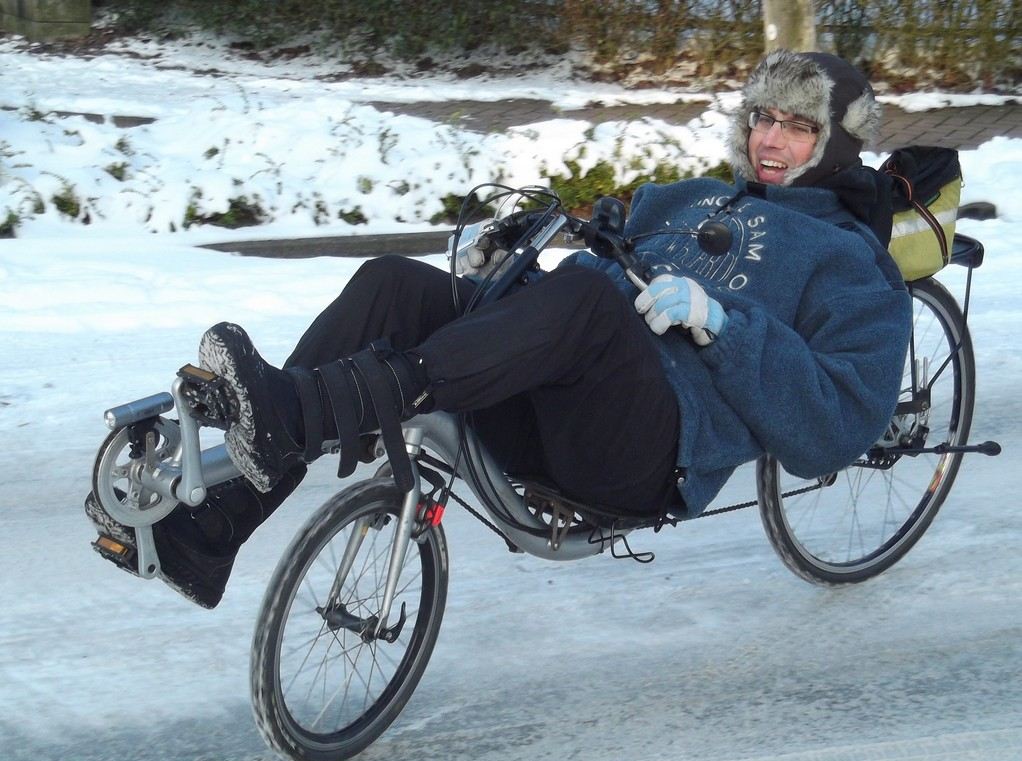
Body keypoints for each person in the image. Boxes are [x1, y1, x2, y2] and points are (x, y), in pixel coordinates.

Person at [86, 50, 912, 609]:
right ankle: (214, 527)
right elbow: (601, 240)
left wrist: (724, 324)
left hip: (643, 452)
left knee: (590, 308)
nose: (771, 138)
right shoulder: (691, 195)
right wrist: (516, 251)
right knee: (394, 285)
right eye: (763, 118)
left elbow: (835, 428)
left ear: (834, 142)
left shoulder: (847, 259)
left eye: (797, 127)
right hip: (554, 397)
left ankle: (292, 411)